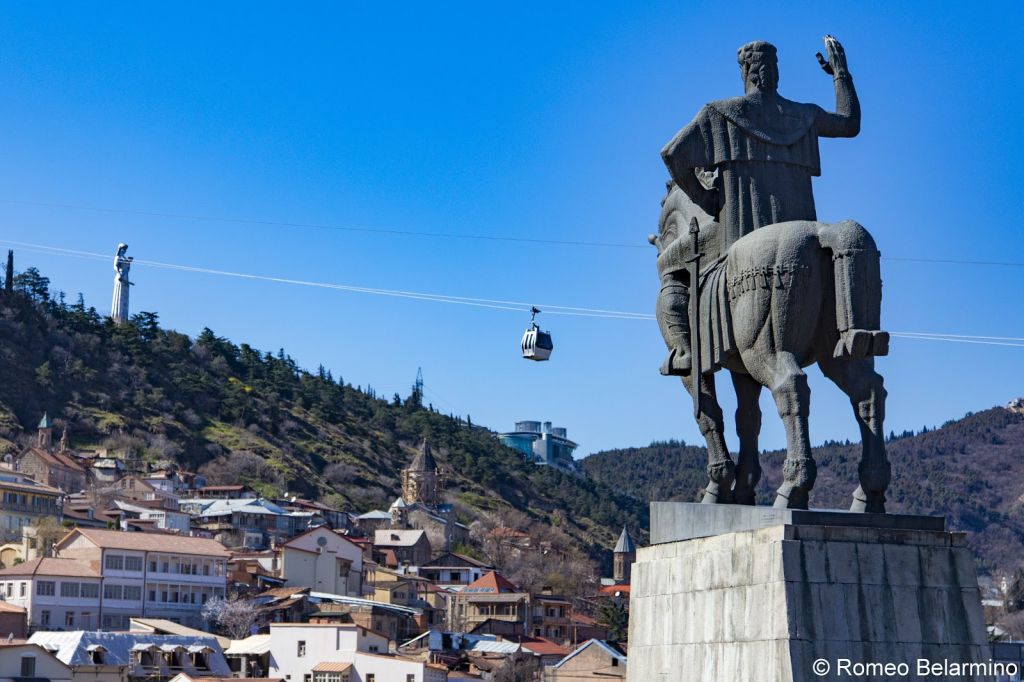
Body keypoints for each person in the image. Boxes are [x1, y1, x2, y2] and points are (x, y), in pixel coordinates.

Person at [657, 36, 860, 375]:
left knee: (667, 265)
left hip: (736, 234)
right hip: (806, 230)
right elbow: (850, 123)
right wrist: (841, 74)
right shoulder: (803, 115)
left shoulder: (720, 113)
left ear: (746, 71)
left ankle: (684, 350)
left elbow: (672, 155)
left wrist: (706, 199)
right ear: (774, 72)